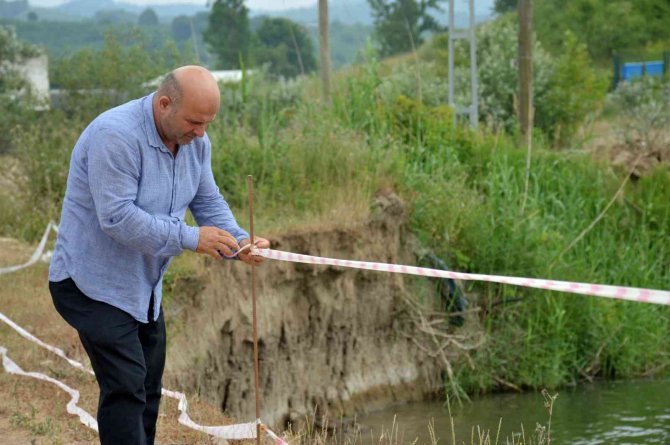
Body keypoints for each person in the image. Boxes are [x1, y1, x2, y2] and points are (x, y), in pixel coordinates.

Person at [48, 65, 269, 445]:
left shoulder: (196, 142)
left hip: (144, 288)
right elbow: (117, 218)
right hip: (91, 285)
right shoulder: (114, 135)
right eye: (195, 122)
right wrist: (190, 237)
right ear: (164, 104)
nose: (201, 133)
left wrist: (239, 241)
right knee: (127, 387)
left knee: (149, 388)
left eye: (208, 124)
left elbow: (206, 200)